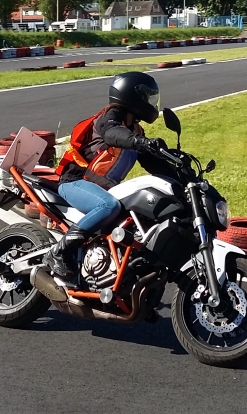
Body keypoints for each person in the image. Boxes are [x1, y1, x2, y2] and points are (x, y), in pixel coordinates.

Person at [43, 71, 169, 283]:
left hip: (100, 188)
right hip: (74, 181)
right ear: (132, 96)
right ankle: (59, 252)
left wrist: (182, 175)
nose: (151, 103)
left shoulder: (135, 130)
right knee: (109, 206)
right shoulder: (109, 117)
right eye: (147, 97)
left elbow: (154, 164)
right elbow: (112, 134)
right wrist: (139, 142)